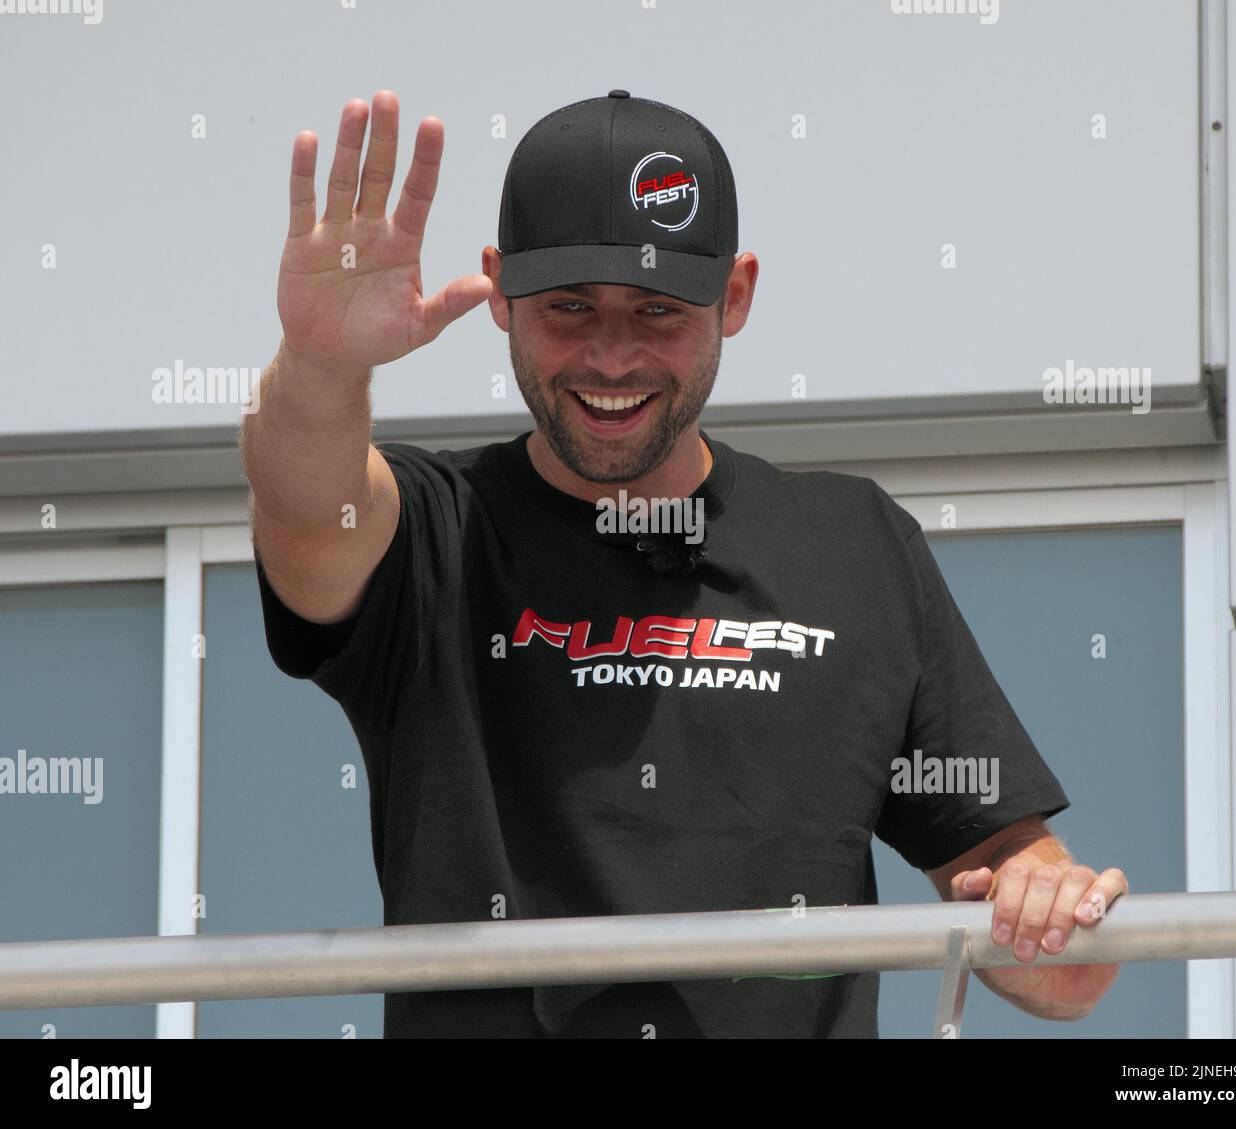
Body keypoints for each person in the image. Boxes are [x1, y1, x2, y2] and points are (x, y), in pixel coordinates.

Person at [240, 89, 1128, 1038]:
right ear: (498, 292)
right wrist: (321, 362)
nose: (611, 356)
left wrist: (1048, 903)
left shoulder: (854, 541)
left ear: (734, 295)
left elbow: (1047, 952)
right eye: (569, 306)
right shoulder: (433, 534)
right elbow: (306, 511)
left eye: (659, 309)